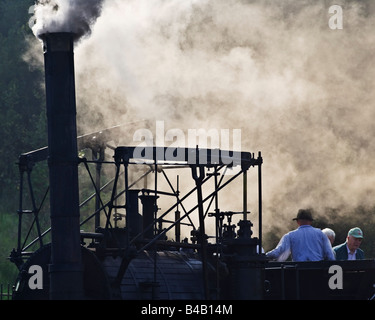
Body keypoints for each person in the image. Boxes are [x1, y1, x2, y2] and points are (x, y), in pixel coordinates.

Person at [266, 209, 335, 262]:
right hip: (317, 271)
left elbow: (277, 252)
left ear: (298, 221)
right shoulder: (321, 234)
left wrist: (264, 256)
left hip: (298, 272)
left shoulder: (290, 236)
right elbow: (330, 255)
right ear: (310, 221)